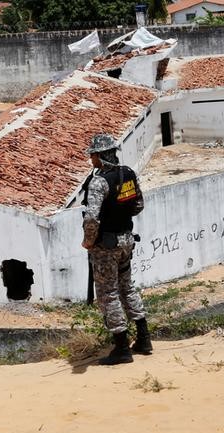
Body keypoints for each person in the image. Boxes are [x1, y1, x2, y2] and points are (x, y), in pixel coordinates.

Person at [81, 133, 152, 365]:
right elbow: (138, 205)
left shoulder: (99, 182)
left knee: (108, 293)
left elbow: (91, 218)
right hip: (127, 240)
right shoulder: (128, 174)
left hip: (106, 246)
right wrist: (120, 216)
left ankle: (121, 347)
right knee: (127, 287)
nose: (91, 159)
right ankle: (143, 338)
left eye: (93, 154)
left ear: (101, 156)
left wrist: (89, 241)